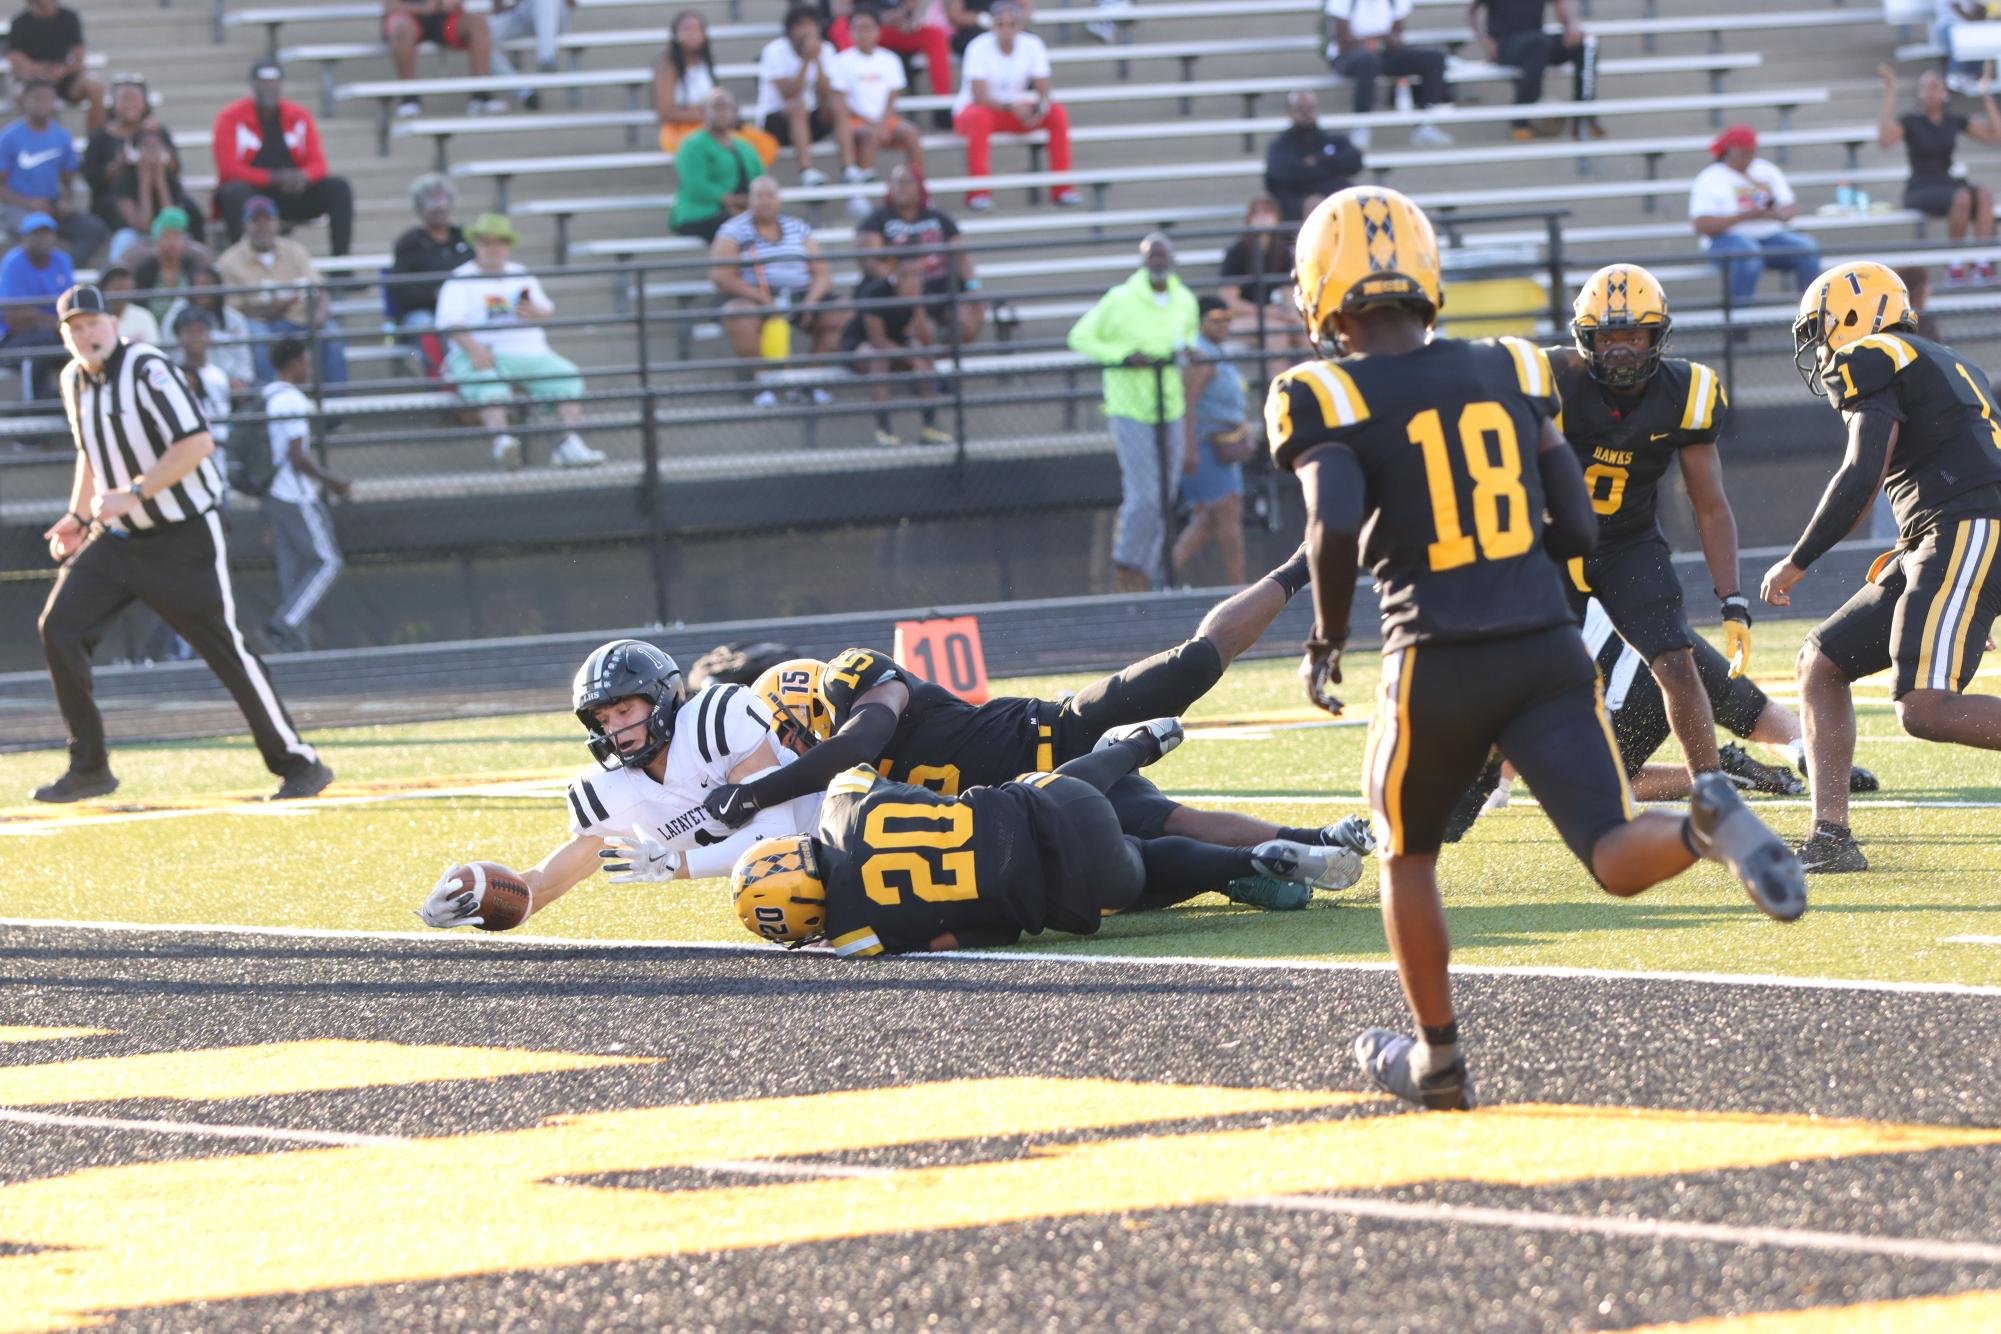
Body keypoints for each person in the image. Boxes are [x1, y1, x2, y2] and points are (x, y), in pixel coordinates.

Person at [1269, 186, 1802, 1111]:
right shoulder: (1510, 365)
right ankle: (1700, 823)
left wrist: (1322, 636)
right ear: (1426, 277)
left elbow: (1332, 528)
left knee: (1406, 856)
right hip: (1545, 646)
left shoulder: (1319, 391)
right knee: (1608, 845)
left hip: (1433, 650)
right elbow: (1579, 527)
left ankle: (1437, 1060)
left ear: (1321, 290)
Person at [704, 554, 1379, 911]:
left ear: (805, 707)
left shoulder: (855, 682)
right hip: (1041, 804)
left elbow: (854, 742)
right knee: (1166, 829)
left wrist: (755, 793)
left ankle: (1302, 566)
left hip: (1057, 734)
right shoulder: (840, 779)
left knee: (1191, 666)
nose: (792, 748)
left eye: (791, 734)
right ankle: (1315, 843)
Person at [33, 283, 332, 804]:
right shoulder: (73, 380)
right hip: (118, 536)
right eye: (74, 328)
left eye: (92, 324)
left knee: (223, 648)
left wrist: (135, 491)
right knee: (59, 628)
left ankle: (298, 761)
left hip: (182, 536)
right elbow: (91, 453)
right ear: (65, 336)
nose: (86, 335)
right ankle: (89, 766)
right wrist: (78, 515)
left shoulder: (147, 367)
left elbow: (197, 443)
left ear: (113, 323)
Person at [726, 724, 1352, 956]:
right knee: (1045, 790)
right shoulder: (842, 799)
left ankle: (1245, 863)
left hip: (1073, 890)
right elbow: (870, 773)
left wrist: (997, 921)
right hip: (1051, 805)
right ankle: (1135, 746)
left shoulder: (855, 937)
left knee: (1137, 870)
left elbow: (962, 936)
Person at [1764, 261, 2001, 873]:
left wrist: (1798, 560)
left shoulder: (1871, 354)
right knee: (1821, 662)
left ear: (1851, 313)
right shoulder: (1940, 358)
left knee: (1922, 707)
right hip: (1948, 531)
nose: (1820, 347)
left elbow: (1861, 473)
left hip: (1965, 526)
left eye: (1821, 329)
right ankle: (1832, 836)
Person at [415, 641, 819, 929]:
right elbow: (542, 884)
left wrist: (674, 866)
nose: (614, 728)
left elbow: (777, 839)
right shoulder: (611, 793)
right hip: (802, 885)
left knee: (768, 885)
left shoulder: (716, 722)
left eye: (624, 710)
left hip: (839, 829)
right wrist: (474, 905)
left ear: (663, 699)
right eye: (603, 720)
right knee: (768, 899)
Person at [1551, 264, 1747, 784]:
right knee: (1520, 675)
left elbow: (1710, 505)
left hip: (1626, 544)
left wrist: (1732, 598)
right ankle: (1472, 790)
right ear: (1585, 338)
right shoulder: (1554, 381)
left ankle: (1711, 788)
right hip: (1548, 545)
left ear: (1657, 335)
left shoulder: (1688, 391)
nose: (1621, 349)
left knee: (1677, 663)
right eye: (1608, 336)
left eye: (1633, 335)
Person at [1066, 233, 1200, 592]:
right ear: (1143, 260)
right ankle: (1126, 565)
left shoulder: (1185, 299)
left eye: (1163, 254)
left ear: (1173, 259)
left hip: (1169, 405)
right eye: (1151, 254)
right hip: (1131, 408)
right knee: (1143, 496)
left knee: (1165, 494)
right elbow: (1080, 336)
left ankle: (1147, 568)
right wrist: (1123, 355)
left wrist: (1186, 353)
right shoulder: (1121, 299)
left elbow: (1187, 341)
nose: (1158, 260)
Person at [434, 211, 605, 470]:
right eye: (486, 242)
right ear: (476, 245)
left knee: (568, 376)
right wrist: (473, 349)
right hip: (482, 353)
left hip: (530, 353)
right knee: (489, 384)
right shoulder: (460, 278)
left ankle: (568, 444)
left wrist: (536, 312)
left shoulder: (521, 273)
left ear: (507, 246)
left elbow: (545, 310)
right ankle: (503, 443)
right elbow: (450, 322)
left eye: (499, 242)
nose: (493, 248)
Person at [259, 337, 350, 651]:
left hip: (272, 495)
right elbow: (298, 457)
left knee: (293, 574)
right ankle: (284, 624)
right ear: (295, 362)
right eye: (306, 361)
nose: (309, 368)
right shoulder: (292, 399)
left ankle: (293, 651)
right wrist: (333, 480)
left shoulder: (267, 395)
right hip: (295, 494)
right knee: (328, 562)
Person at [211, 62, 358, 257]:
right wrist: (273, 178)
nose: (268, 87)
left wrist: (303, 176)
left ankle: (342, 265)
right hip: (253, 194)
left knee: (338, 188)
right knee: (234, 192)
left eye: (273, 82)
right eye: (263, 82)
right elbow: (229, 169)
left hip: (291, 192)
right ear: (253, 84)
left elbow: (319, 164)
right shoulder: (230, 117)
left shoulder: (299, 116)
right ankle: (245, 261)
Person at [711, 177, 843, 390]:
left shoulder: (798, 228)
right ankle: (763, 383)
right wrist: (760, 297)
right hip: (755, 296)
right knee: (737, 314)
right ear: (749, 200)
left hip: (801, 294)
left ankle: (810, 380)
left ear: (778, 199)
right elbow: (721, 276)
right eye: (758, 196)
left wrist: (811, 302)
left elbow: (822, 272)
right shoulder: (732, 230)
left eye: (769, 196)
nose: (764, 201)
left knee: (842, 313)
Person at [1879, 64, 2001, 286]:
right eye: (1924, 87)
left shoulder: (1953, 120)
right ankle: (1954, 264)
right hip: (1920, 187)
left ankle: (1981, 263)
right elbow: (1885, 140)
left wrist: (1985, 95)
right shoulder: (1911, 121)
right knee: (1962, 197)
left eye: (1934, 86)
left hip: (1946, 182)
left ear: (1944, 92)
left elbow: (1995, 135)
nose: (1929, 92)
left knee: (1984, 194)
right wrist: (1891, 93)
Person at [214, 194, 348, 388]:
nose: (262, 227)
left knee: (331, 335)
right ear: (245, 225)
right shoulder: (229, 261)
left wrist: (319, 317)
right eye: (256, 221)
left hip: (301, 320)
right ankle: (269, 404)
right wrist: (269, 310)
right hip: (261, 324)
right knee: (258, 339)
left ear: (276, 223)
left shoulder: (295, 251)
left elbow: (321, 289)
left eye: (267, 220)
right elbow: (231, 311)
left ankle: (334, 412)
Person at [953, 2, 1078, 210]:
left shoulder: (1033, 45)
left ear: (1020, 25)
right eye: (1001, 24)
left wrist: (1040, 108)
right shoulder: (977, 47)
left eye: (1011, 24)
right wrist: (1013, 107)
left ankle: (1062, 188)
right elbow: (978, 96)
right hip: (978, 111)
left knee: (1057, 113)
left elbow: (1043, 88)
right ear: (992, 25)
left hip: (1010, 109)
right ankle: (977, 192)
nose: (1006, 29)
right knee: (979, 117)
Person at [1688, 124, 1821, 310]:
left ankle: (1810, 313)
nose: (1748, 158)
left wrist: (1779, 214)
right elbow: (1701, 225)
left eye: (1751, 153)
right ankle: (1737, 322)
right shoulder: (1710, 178)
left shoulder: (1765, 170)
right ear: (1728, 152)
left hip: (1770, 236)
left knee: (1807, 248)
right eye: (1742, 153)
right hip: (1725, 240)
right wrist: (1744, 217)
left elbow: (1789, 206)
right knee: (1749, 254)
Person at [855, 164, 983, 345]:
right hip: (899, 290)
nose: (900, 187)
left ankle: (943, 361)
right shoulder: (878, 219)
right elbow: (870, 260)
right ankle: (923, 366)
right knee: (922, 332)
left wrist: (973, 286)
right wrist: (899, 281)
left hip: (940, 285)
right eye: (896, 183)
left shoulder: (937, 217)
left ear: (920, 188)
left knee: (967, 320)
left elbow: (961, 253)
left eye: (907, 182)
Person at [1176, 297, 1250, 586]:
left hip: (1224, 445)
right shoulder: (1199, 353)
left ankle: (1165, 575)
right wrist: (1190, 448)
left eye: (1227, 319)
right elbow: (1188, 403)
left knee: (1209, 520)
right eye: (1215, 319)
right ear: (1201, 320)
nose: (1223, 325)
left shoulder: (1217, 349)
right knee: (1228, 515)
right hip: (1206, 445)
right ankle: (1240, 590)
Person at [841, 256, 948, 447]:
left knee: (923, 356)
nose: (911, 279)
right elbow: (878, 341)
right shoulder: (876, 292)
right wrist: (912, 359)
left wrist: (917, 306)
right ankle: (884, 430)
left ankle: (930, 427)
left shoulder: (923, 294)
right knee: (880, 358)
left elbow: (926, 339)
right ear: (894, 275)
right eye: (905, 274)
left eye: (916, 274)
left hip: (898, 346)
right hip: (860, 346)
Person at [755, 5, 862, 187]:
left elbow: (826, 91)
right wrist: (806, 60)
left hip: (810, 119)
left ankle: (848, 167)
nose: (806, 30)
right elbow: (788, 93)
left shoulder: (825, 50)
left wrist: (817, 59)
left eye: (811, 25)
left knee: (837, 103)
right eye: (801, 25)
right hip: (776, 122)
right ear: (790, 29)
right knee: (798, 105)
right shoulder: (775, 51)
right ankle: (806, 169)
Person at [0, 81, 106, 263]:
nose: (43, 103)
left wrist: (65, 201)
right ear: (24, 100)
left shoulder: (62, 137)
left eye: (48, 98)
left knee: (95, 229)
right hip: (18, 208)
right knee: (37, 231)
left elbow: (67, 181)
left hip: (51, 206)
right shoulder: (9, 137)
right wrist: (28, 202)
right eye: (37, 98)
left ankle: (66, 270)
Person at [1324, 0, 1453, 148]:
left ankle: (1425, 124)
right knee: (1367, 59)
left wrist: (1388, 41)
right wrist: (1379, 39)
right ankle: (1361, 127)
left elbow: (1397, 35)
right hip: (1347, 56)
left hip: (1382, 53)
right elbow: (1342, 40)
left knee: (1435, 58)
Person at [655, 10, 780, 162]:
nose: (693, 34)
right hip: (681, 128)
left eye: (698, 29)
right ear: (675, 34)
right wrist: (703, 113)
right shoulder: (668, 66)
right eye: (687, 29)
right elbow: (666, 113)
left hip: (711, 123)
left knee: (764, 143)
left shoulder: (704, 62)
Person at [1467, 0, 1598, 140]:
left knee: (1587, 43)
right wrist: (1484, 40)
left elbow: (1559, 4)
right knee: (1538, 43)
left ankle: (1584, 115)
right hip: (1505, 45)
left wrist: (1571, 26)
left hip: (1536, 41)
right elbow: (1471, 12)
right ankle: (1520, 120)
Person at [385, 173, 471, 372]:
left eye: (443, 199)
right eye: (430, 201)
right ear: (419, 208)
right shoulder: (409, 243)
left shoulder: (465, 239)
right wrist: (435, 294)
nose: (438, 206)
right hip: (425, 311)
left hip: (462, 309)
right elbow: (399, 289)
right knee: (426, 325)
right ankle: (441, 381)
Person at [834, 5, 926, 180]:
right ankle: (860, 190)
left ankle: (919, 186)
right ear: (850, 32)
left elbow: (892, 98)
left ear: (878, 31)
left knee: (911, 132)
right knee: (870, 133)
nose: (863, 33)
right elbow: (841, 102)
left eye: (867, 28)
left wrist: (881, 123)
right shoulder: (841, 61)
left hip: (885, 119)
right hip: (854, 121)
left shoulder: (890, 60)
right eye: (858, 29)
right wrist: (871, 123)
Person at [670, 89, 769, 244]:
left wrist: (757, 201)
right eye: (717, 107)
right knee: (740, 228)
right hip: (703, 214)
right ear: (703, 111)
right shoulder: (692, 144)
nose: (723, 112)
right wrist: (732, 200)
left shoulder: (745, 146)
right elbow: (696, 185)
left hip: (744, 211)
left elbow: (761, 179)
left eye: (729, 107)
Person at [830, 0, 953, 119]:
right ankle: (854, 82)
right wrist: (880, 17)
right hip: (867, 27)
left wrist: (910, 19)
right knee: (841, 25)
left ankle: (942, 106)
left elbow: (915, 9)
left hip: (895, 31)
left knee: (936, 35)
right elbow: (839, 10)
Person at [382, 0, 501, 119]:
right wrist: (425, 7)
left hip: (445, 22)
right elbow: (390, 6)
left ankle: (481, 94)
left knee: (477, 24)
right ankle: (409, 97)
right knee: (401, 27)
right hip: (408, 18)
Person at [81, 77, 163, 248]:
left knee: (188, 209)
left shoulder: (156, 132)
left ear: (145, 103)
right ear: (114, 104)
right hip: (113, 197)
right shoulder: (101, 136)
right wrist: (115, 167)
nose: (130, 105)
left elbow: (174, 169)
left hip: (154, 191)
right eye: (124, 100)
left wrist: (155, 160)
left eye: (135, 99)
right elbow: (90, 176)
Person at [1218, 194, 1305, 352]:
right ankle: (1277, 376)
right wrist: (1267, 312)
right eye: (1257, 213)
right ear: (1249, 219)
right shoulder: (1237, 252)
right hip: (1240, 319)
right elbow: (1230, 301)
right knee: (1276, 332)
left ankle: (1310, 376)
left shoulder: (1283, 252)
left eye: (1268, 212)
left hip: (1274, 316)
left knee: (1303, 330)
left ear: (1277, 218)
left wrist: (1289, 314)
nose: (1263, 218)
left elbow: (1288, 294)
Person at [0, 212, 71, 396]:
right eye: (36, 234)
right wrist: (54, 323)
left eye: (46, 233)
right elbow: (14, 320)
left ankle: (73, 399)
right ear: (25, 238)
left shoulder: (61, 260)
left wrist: (44, 320)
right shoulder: (13, 263)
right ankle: (35, 402)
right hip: (11, 340)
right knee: (42, 341)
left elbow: (71, 305)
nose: (42, 239)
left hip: (56, 332)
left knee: (77, 340)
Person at [1264, 90, 1362, 222]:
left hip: (1336, 203)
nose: (1306, 113)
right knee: (1313, 205)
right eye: (1300, 109)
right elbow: (1283, 173)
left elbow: (1355, 162)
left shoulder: (1333, 139)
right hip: (1295, 208)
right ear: (1288, 113)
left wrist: (1318, 161)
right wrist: (1331, 168)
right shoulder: (1280, 145)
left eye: (1310, 108)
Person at [6, 0, 103, 132]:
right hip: (33, 81)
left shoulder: (69, 18)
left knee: (95, 87)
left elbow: (79, 58)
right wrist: (42, 70)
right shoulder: (19, 22)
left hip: (65, 79)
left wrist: (63, 70)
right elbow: (16, 62)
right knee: (20, 93)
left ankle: (96, 143)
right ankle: (35, 143)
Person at [108, 125, 201, 264]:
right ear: (134, 151)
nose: (152, 152)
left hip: (168, 237)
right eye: (146, 146)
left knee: (195, 249)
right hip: (137, 238)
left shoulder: (171, 180)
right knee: (123, 239)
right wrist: (144, 182)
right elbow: (143, 227)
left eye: (156, 147)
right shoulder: (124, 180)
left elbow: (171, 223)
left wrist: (160, 181)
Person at [159, 266, 253, 389]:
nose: (202, 290)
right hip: (186, 380)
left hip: (229, 382)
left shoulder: (234, 319)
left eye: (207, 284)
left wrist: (240, 379)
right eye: (197, 284)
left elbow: (243, 358)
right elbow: (170, 354)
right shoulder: (174, 316)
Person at [170, 307, 234, 450]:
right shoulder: (173, 375)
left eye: (200, 331)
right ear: (179, 336)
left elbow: (222, 416)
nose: (195, 337)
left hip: (217, 448)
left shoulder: (218, 376)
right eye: (189, 332)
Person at [487, 0, 572, 107]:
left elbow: (571, 3)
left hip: (556, 16)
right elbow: (498, 8)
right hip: (525, 15)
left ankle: (547, 57)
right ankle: (524, 93)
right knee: (481, 34)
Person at [133, 211, 207, 315]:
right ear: (157, 239)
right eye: (167, 236)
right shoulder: (145, 271)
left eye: (177, 236)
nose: (172, 242)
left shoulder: (193, 266)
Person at [944, 0, 1034, 57]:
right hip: (974, 32)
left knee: (1028, 43)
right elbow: (954, 14)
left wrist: (1012, 23)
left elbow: (1025, 6)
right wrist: (978, 18)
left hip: (1009, 29)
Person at [99, 264, 160, 345]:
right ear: (104, 288)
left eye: (125, 288)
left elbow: (154, 349)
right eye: (117, 288)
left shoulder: (144, 317)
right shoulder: (94, 320)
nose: (121, 293)